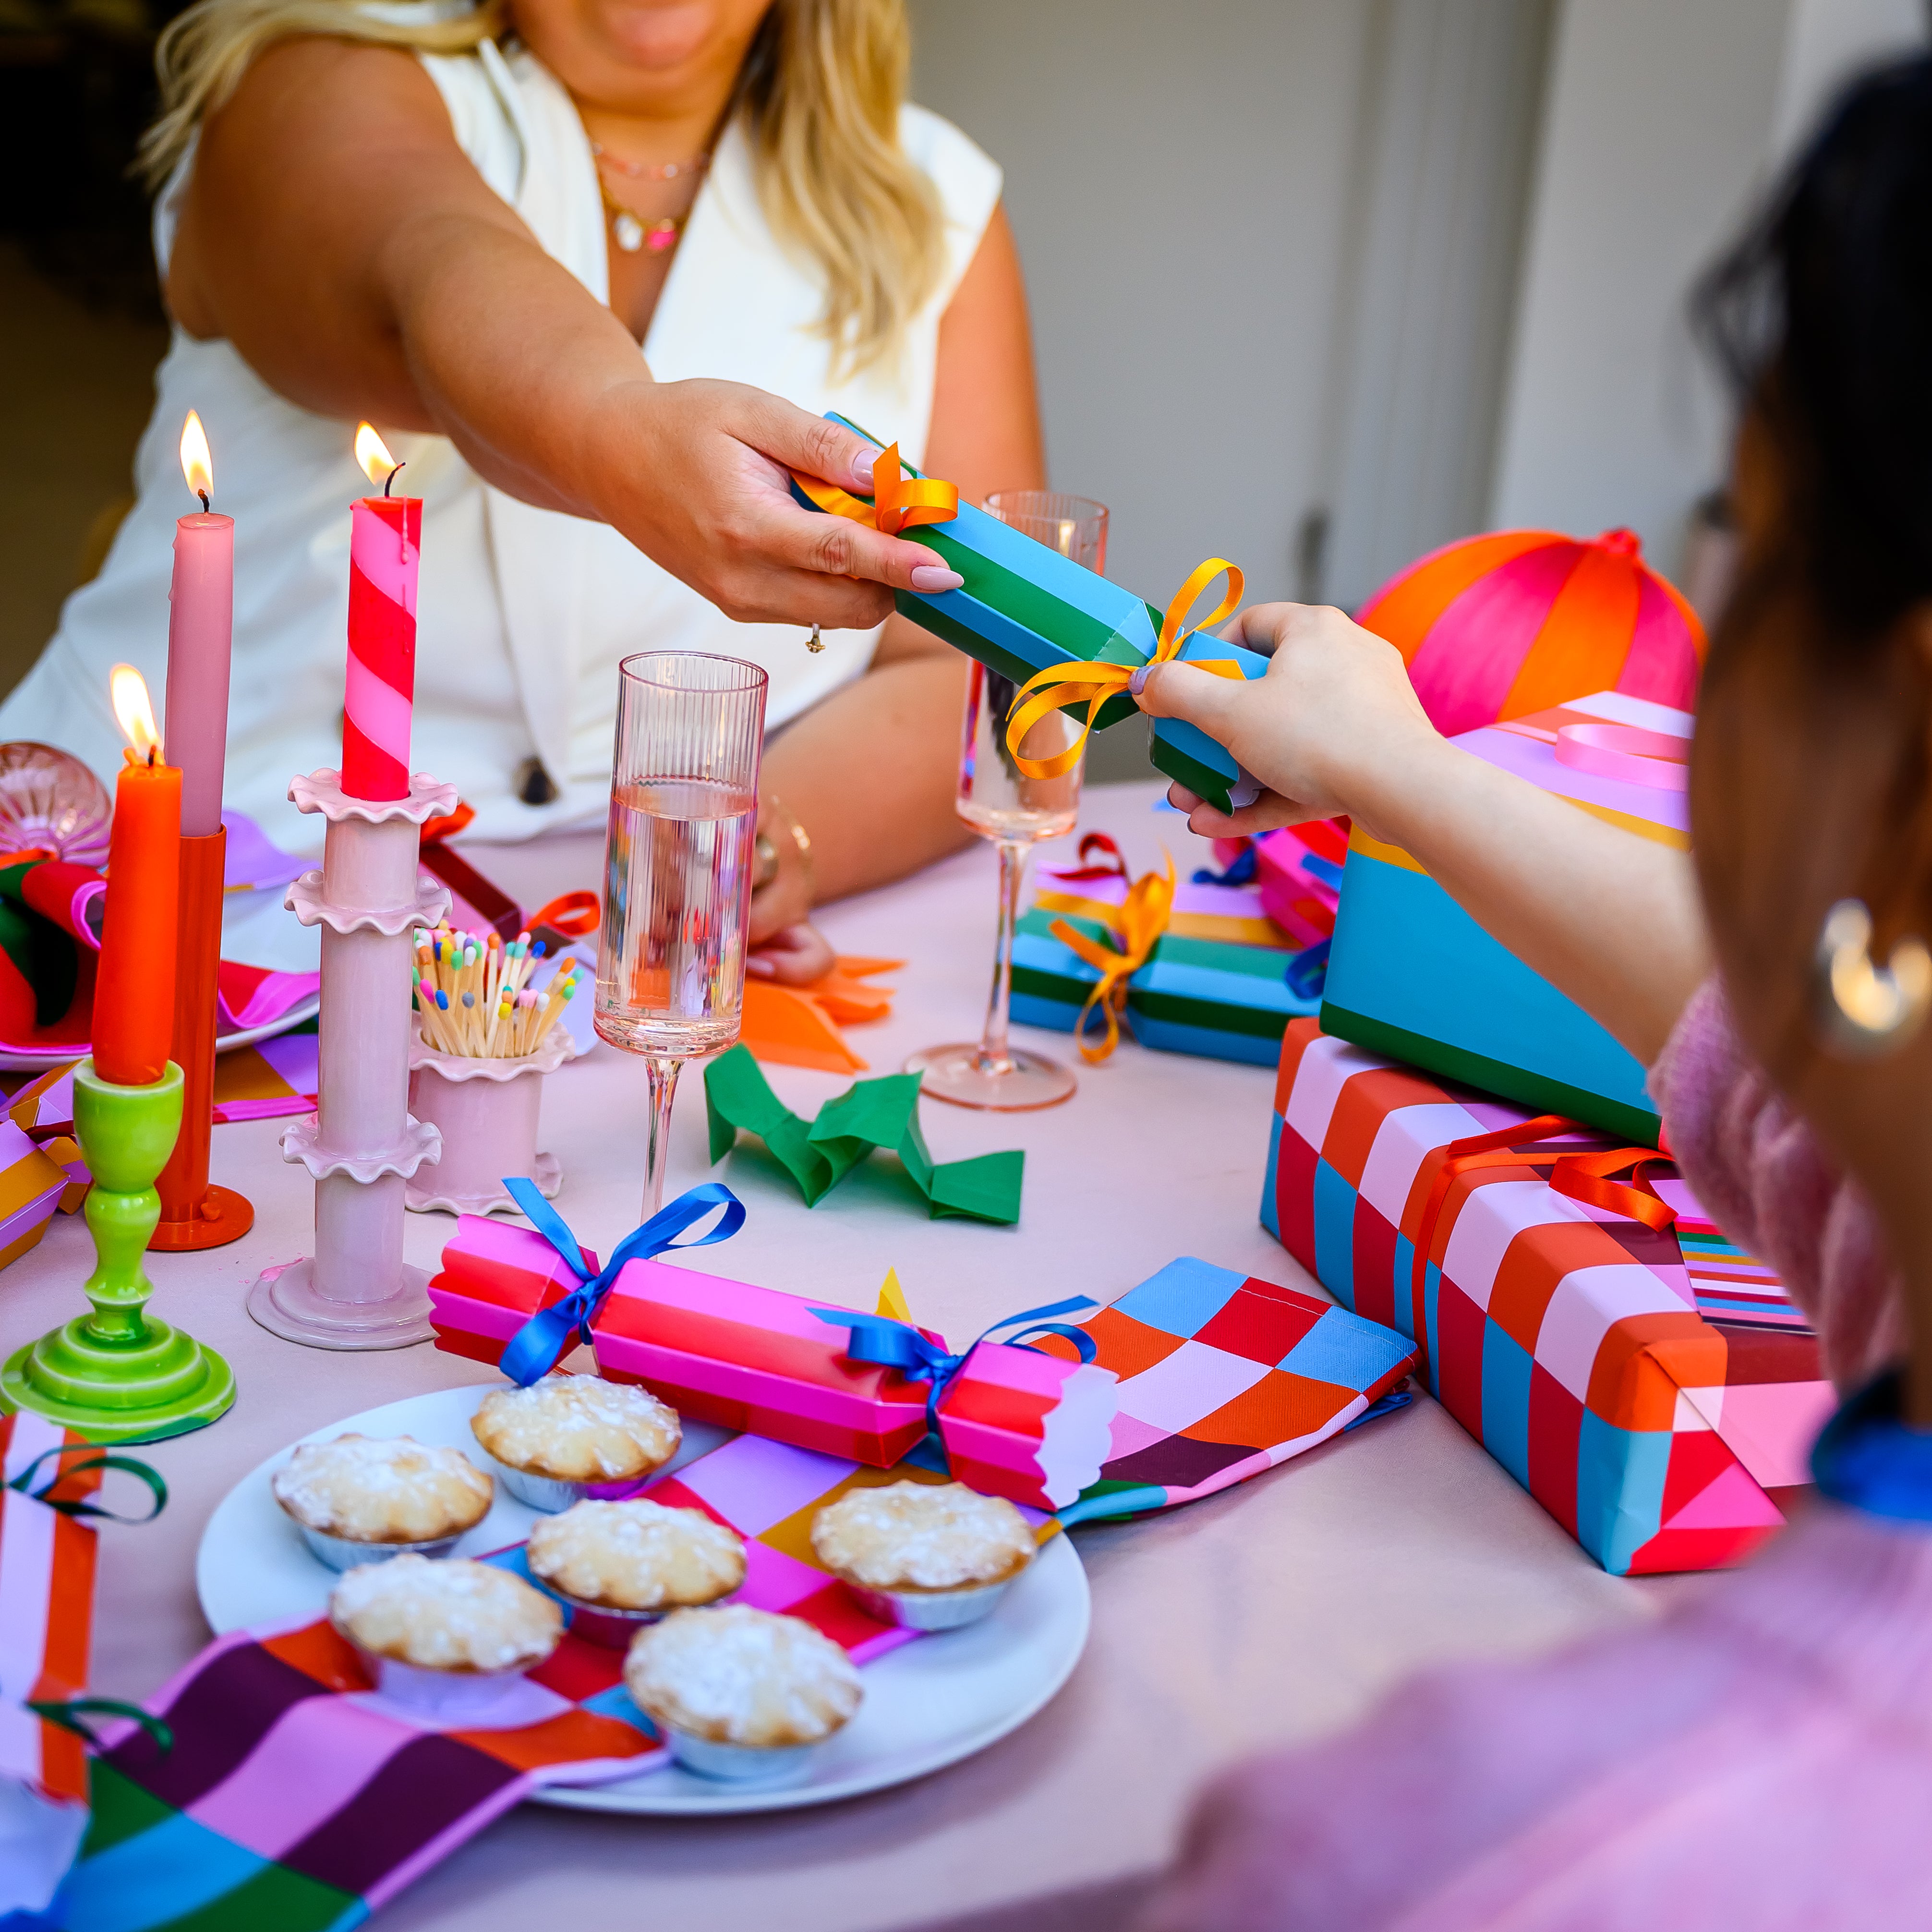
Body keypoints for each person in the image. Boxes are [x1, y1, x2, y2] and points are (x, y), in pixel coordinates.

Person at [1106, 53, 1932, 1930]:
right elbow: (1783, 1041)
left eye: (1746, 552)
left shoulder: (1463, 1858)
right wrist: (1400, 769)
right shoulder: (1890, 1143)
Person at [4, 0, 1043, 974]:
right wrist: (621, 436)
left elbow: (972, 676)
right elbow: (430, 261)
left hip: (580, 972)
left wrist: (747, 855)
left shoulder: (933, 201)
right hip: (147, 901)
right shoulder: (316, 82)